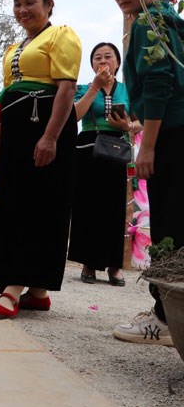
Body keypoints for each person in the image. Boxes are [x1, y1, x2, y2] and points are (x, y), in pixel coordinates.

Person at [0, 0, 81, 319]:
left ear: (49, 3)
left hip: (46, 129)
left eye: (30, 2)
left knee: (38, 205)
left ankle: (12, 288)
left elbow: (66, 89)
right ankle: (37, 290)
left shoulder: (61, 35)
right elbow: (6, 98)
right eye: (17, 4)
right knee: (14, 202)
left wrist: (51, 137)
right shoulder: (14, 49)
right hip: (16, 132)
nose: (22, 10)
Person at [109, 0, 182, 346]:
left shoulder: (147, 24)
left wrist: (147, 146)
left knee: (169, 227)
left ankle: (164, 317)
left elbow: (159, 87)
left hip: (169, 137)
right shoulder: (171, 19)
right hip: (175, 132)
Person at [68, 43, 141, 286]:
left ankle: (114, 265)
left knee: (113, 207)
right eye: (97, 57)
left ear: (117, 62)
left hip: (116, 149)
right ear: (91, 65)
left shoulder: (127, 90)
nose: (103, 61)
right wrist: (95, 87)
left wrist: (128, 127)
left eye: (108, 56)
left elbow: (140, 119)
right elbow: (75, 115)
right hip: (88, 146)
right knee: (87, 205)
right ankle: (88, 263)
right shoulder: (82, 88)